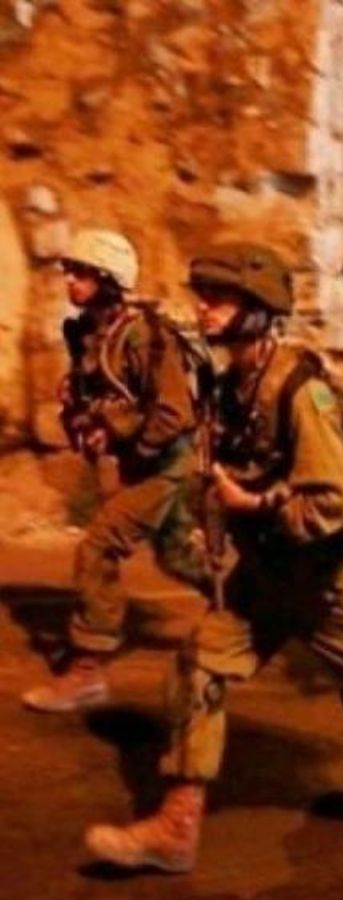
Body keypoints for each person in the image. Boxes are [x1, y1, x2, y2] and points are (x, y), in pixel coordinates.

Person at [84, 243, 343, 873]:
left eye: (220, 298)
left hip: (322, 577)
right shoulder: (231, 385)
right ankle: (178, 823)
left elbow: (330, 502)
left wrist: (254, 504)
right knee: (199, 666)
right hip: (265, 575)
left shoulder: (300, 389)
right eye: (204, 296)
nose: (204, 308)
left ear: (260, 308)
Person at [23, 229, 209, 713]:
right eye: (70, 271)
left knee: (99, 547)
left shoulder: (145, 335)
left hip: (163, 460)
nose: (71, 281)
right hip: (144, 458)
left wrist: (135, 450)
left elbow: (175, 413)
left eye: (82, 273)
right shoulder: (89, 333)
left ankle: (87, 669)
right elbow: (98, 395)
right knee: (177, 553)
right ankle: (250, 604)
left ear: (108, 279)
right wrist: (83, 417)